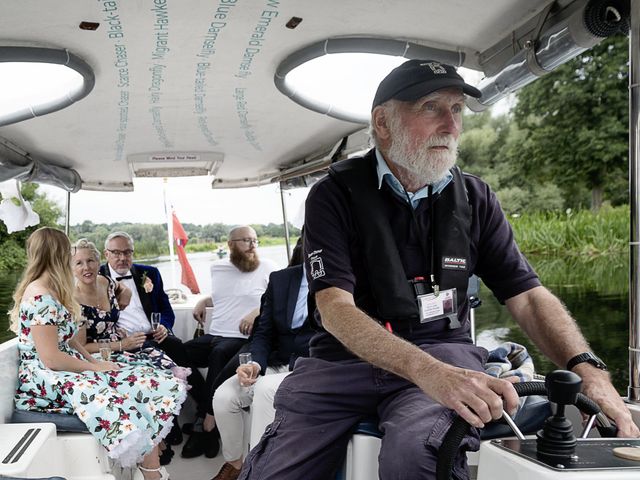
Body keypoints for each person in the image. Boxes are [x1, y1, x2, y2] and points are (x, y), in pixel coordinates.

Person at [239, 59, 640, 480]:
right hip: (341, 365)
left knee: (418, 458)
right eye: (432, 107)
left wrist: (589, 373)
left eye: (457, 110)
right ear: (382, 123)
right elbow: (335, 308)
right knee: (274, 471)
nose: (451, 125)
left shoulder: (475, 198)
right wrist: (427, 372)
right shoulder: (333, 196)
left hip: (444, 353)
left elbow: (527, 297)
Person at [10, 227, 187, 480]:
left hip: (68, 363)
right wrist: (95, 368)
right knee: (122, 393)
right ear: (58, 254)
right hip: (45, 375)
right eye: (69, 252)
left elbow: (68, 340)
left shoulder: (55, 288)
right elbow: (51, 357)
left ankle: (150, 469)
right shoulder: (39, 295)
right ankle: (152, 473)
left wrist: (94, 361)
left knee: (147, 379)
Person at [99, 231, 209, 454]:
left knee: (180, 352)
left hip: (155, 336)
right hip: (126, 344)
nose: (122, 258)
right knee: (161, 368)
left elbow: (166, 311)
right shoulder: (97, 277)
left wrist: (164, 327)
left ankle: (206, 414)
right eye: (116, 253)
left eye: (127, 252)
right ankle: (170, 428)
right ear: (106, 254)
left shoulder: (150, 273)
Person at [211, 240, 312, 480]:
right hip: (275, 362)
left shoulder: (342, 281)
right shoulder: (281, 279)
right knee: (224, 397)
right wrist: (254, 363)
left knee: (265, 393)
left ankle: (257, 472)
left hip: (312, 367)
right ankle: (236, 465)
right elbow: (263, 334)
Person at [182, 226, 278, 458]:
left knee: (219, 354)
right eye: (246, 240)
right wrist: (204, 300)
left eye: (255, 240)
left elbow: (278, 299)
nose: (252, 245)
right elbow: (228, 294)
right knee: (177, 354)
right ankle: (206, 406)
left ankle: (207, 426)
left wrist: (257, 311)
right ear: (231, 244)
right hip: (216, 333)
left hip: (243, 338)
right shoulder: (218, 268)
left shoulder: (267, 267)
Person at [72, 238, 191, 379]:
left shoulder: (107, 281)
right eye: (79, 263)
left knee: (175, 353)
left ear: (98, 262)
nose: (86, 267)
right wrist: (122, 344)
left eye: (90, 261)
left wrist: (126, 292)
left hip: (142, 339)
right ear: (107, 255)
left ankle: (202, 398)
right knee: (154, 376)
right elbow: (80, 346)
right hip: (108, 350)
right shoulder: (73, 300)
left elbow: (165, 308)